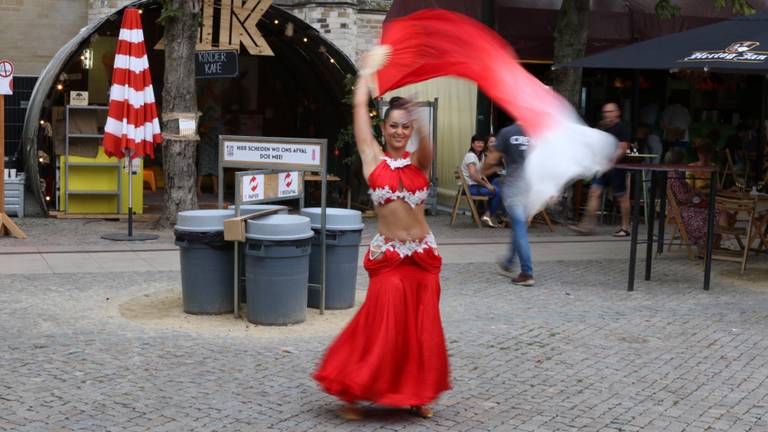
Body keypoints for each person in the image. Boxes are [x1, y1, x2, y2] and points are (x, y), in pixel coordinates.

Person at [313, 69, 450, 420]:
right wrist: (366, 73)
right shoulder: (372, 157)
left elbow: (429, 144)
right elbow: (359, 108)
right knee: (381, 325)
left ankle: (417, 394)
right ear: (383, 128)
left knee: (421, 328)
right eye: (394, 125)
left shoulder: (421, 161)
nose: (401, 131)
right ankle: (353, 389)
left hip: (422, 258)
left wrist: (419, 118)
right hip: (389, 257)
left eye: (406, 126)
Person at [483, 122, 535, 286]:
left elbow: (492, 158)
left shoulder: (507, 132)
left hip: (514, 184)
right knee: (518, 225)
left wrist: (481, 170)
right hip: (531, 185)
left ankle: (527, 272)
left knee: (519, 226)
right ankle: (508, 263)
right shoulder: (537, 132)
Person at [571, 102, 631, 237]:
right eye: (605, 112)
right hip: (602, 167)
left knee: (621, 197)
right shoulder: (604, 128)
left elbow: (623, 148)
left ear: (617, 113)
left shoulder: (621, 128)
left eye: (610, 112)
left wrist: (612, 162)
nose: (607, 115)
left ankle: (625, 227)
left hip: (616, 168)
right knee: (594, 192)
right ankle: (586, 226)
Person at [665, 148, 725, 258]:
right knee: (714, 212)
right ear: (678, 161)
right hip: (682, 208)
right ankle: (707, 245)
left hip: (686, 205)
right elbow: (682, 197)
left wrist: (696, 194)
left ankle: (712, 243)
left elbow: (687, 191)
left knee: (717, 210)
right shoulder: (673, 176)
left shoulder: (676, 173)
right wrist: (695, 193)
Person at [460, 134, 502, 227]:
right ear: (472, 144)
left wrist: (487, 183)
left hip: (475, 186)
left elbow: (481, 175)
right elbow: (474, 176)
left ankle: (488, 215)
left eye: (482, 142)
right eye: (477, 142)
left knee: (497, 186)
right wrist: (487, 185)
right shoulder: (470, 156)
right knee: (498, 192)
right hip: (469, 188)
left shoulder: (481, 156)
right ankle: (488, 215)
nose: (480, 144)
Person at [197, 82, 222, 195]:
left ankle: (216, 189)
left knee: (214, 167)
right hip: (206, 142)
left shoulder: (216, 109)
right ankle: (198, 188)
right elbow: (201, 128)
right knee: (203, 165)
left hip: (215, 141)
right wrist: (206, 128)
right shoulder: (203, 111)